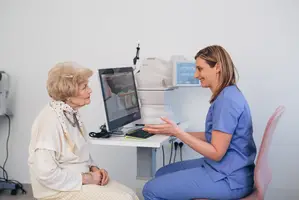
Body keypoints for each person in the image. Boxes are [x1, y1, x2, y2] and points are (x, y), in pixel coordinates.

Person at [142, 45, 257, 200]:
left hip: (229, 179)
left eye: (200, 69)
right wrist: (172, 132)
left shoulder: (227, 101)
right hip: (231, 170)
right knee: (161, 173)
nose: (196, 75)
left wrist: (179, 133)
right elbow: (215, 136)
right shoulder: (228, 94)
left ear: (217, 67)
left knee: (150, 189)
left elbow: (216, 153)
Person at [28, 62, 139, 200]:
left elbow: (79, 153)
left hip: (81, 180)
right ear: (68, 93)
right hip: (59, 190)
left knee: (131, 195)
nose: (90, 90)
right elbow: (45, 173)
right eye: (84, 87)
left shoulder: (71, 113)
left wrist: (94, 169)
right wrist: (87, 178)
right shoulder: (49, 121)